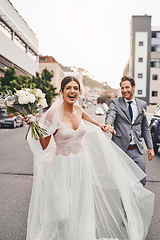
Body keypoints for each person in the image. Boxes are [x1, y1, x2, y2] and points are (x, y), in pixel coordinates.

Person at [24, 76, 154, 240]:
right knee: (61, 211)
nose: (72, 91)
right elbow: (44, 145)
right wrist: (33, 125)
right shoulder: (53, 113)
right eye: (69, 88)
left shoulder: (78, 109)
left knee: (80, 207)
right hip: (62, 166)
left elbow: (91, 120)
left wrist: (103, 125)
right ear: (62, 92)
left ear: (79, 91)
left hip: (82, 164)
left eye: (76, 88)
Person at [105, 75, 154, 186]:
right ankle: (124, 203)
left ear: (133, 87)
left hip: (136, 149)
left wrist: (150, 147)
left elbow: (145, 127)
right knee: (120, 182)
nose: (124, 90)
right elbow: (111, 114)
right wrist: (109, 124)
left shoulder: (142, 104)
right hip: (120, 149)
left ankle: (135, 202)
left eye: (127, 87)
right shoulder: (115, 103)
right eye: (122, 88)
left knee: (141, 181)